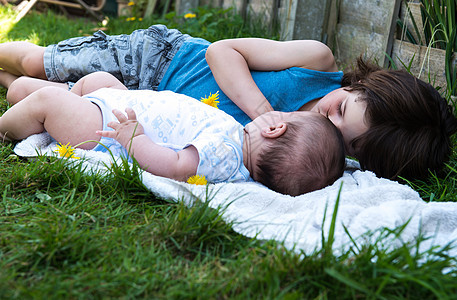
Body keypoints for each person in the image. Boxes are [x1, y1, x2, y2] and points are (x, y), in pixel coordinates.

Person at [0, 24, 457, 180]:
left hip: (128, 106)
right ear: (362, 84)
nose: (328, 119)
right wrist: (262, 109)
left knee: (31, 95)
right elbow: (222, 51)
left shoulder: (299, 155)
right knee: (39, 62)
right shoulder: (316, 62)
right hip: (160, 62)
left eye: (344, 138)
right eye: (341, 107)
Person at [0, 72, 346, 196]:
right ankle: (24, 100)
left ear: (274, 127)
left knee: (44, 100)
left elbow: (175, 165)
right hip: (116, 104)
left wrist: (132, 138)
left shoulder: (224, 155)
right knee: (39, 92)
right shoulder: (234, 140)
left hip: (106, 130)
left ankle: (10, 125)